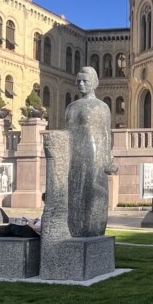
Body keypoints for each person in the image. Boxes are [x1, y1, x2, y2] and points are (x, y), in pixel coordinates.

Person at [65, 67, 117, 237]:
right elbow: (67, 132)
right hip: (74, 155)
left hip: (93, 154)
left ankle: (95, 226)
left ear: (94, 83)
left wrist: (108, 158)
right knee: (74, 192)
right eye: (78, 80)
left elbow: (105, 132)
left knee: (93, 191)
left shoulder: (101, 107)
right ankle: (75, 228)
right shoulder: (71, 107)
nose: (80, 84)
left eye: (85, 81)